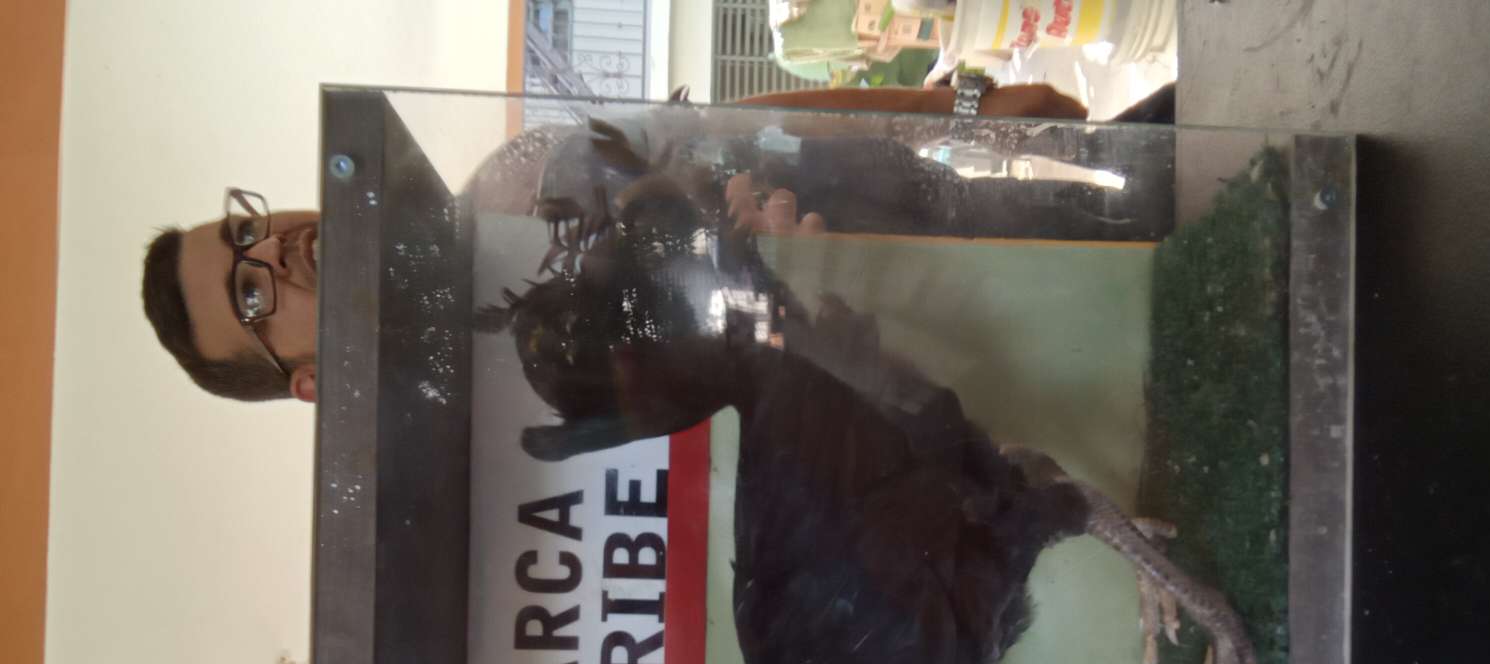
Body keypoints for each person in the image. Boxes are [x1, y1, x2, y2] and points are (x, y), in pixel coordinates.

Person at [140, 82, 1135, 403]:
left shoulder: (518, 176)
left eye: (244, 230)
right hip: (983, 386)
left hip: (972, 227)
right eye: (250, 296)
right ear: (309, 380)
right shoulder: (504, 434)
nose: (272, 254)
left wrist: (965, 112)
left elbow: (759, 121)